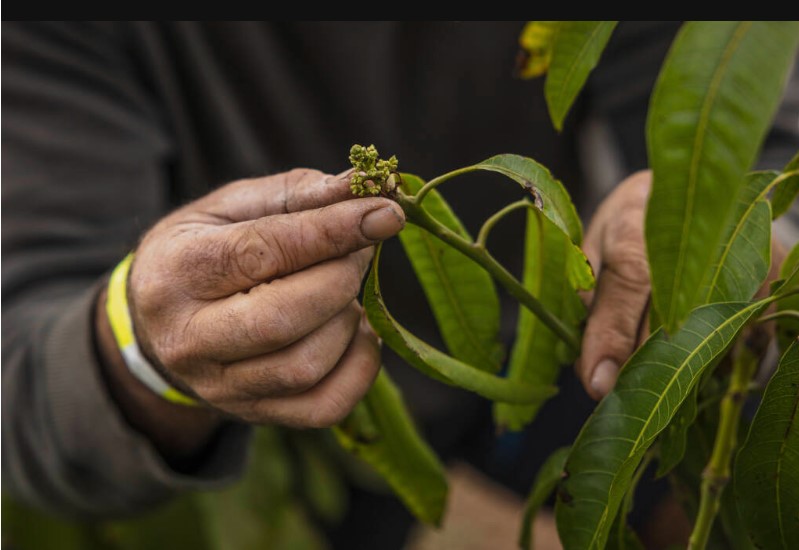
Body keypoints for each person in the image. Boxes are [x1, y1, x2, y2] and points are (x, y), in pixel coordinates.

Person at [3, 21, 797, 548]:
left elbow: (751, 130)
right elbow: (23, 371)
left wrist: (733, 221)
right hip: (287, 427)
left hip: (559, 339)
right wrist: (142, 344)